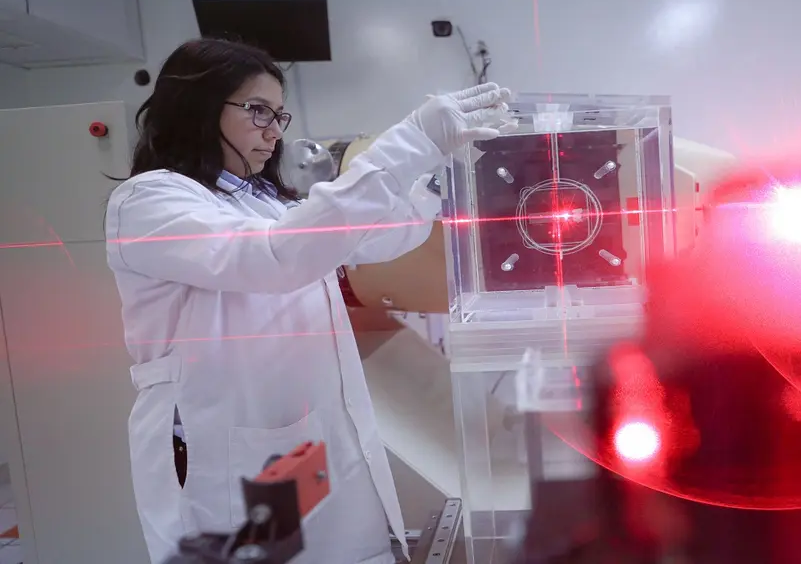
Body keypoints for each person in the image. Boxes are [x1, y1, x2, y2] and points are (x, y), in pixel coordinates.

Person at [105, 37, 515, 564]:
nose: (274, 132)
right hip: (221, 452)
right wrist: (411, 140)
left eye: (279, 115)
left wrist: (438, 178)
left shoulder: (259, 200)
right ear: (198, 106)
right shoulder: (149, 201)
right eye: (258, 111)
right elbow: (277, 257)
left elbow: (373, 238)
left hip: (301, 440)